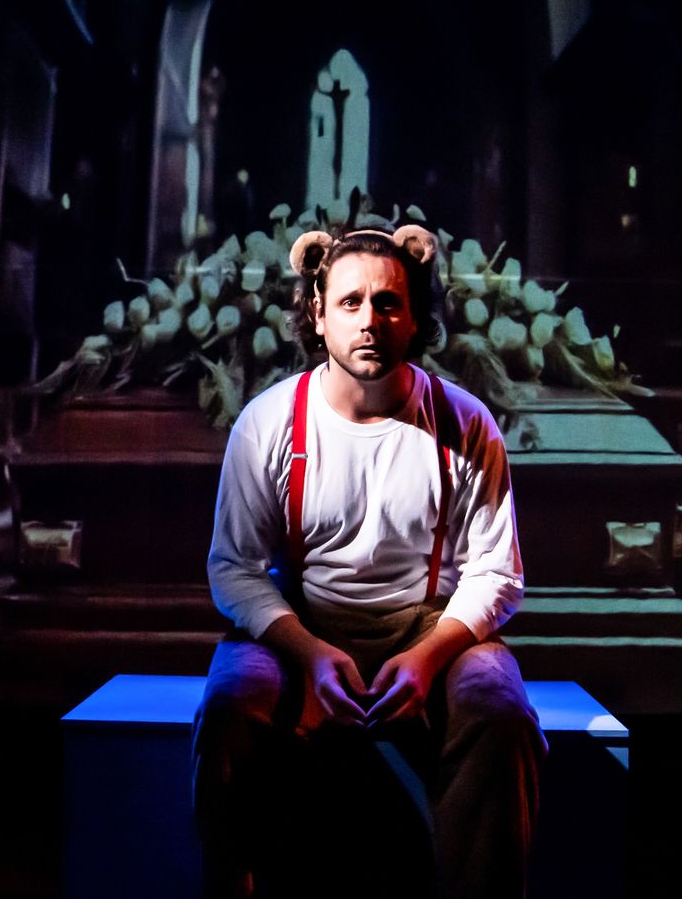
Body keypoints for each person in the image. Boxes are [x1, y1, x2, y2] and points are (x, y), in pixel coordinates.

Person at [192, 224, 546, 898]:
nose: (369, 321)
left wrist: (427, 658)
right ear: (318, 314)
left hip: (431, 627)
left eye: (388, 303)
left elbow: (496, 573)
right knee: (231, 706)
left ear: (414, 317)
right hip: (302, 624)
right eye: (350, 302)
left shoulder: (465, 423)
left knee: (499, 712)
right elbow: (234, 568)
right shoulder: (268, 423)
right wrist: (308, 653)